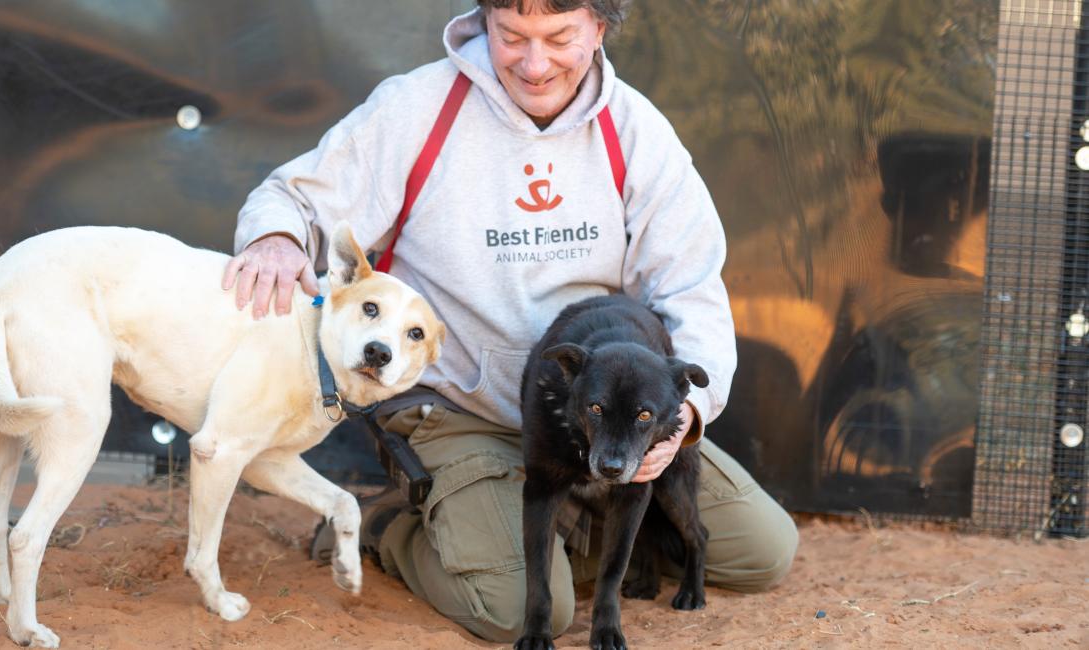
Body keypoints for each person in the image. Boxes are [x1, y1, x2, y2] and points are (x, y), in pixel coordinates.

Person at [223, 0, 798, 642]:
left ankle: (550, 526)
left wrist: (687, 415)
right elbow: (295, 197)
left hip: (596, 416)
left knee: (759, 554)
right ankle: (392, 524)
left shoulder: (635, 131)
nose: (533, 63)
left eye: (558, 37)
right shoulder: (416, 108)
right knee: (517, 610)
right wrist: (275, 238)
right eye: (511, 36)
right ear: (483, 23)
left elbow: (691, 287)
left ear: (599, 29)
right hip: (454, 403)